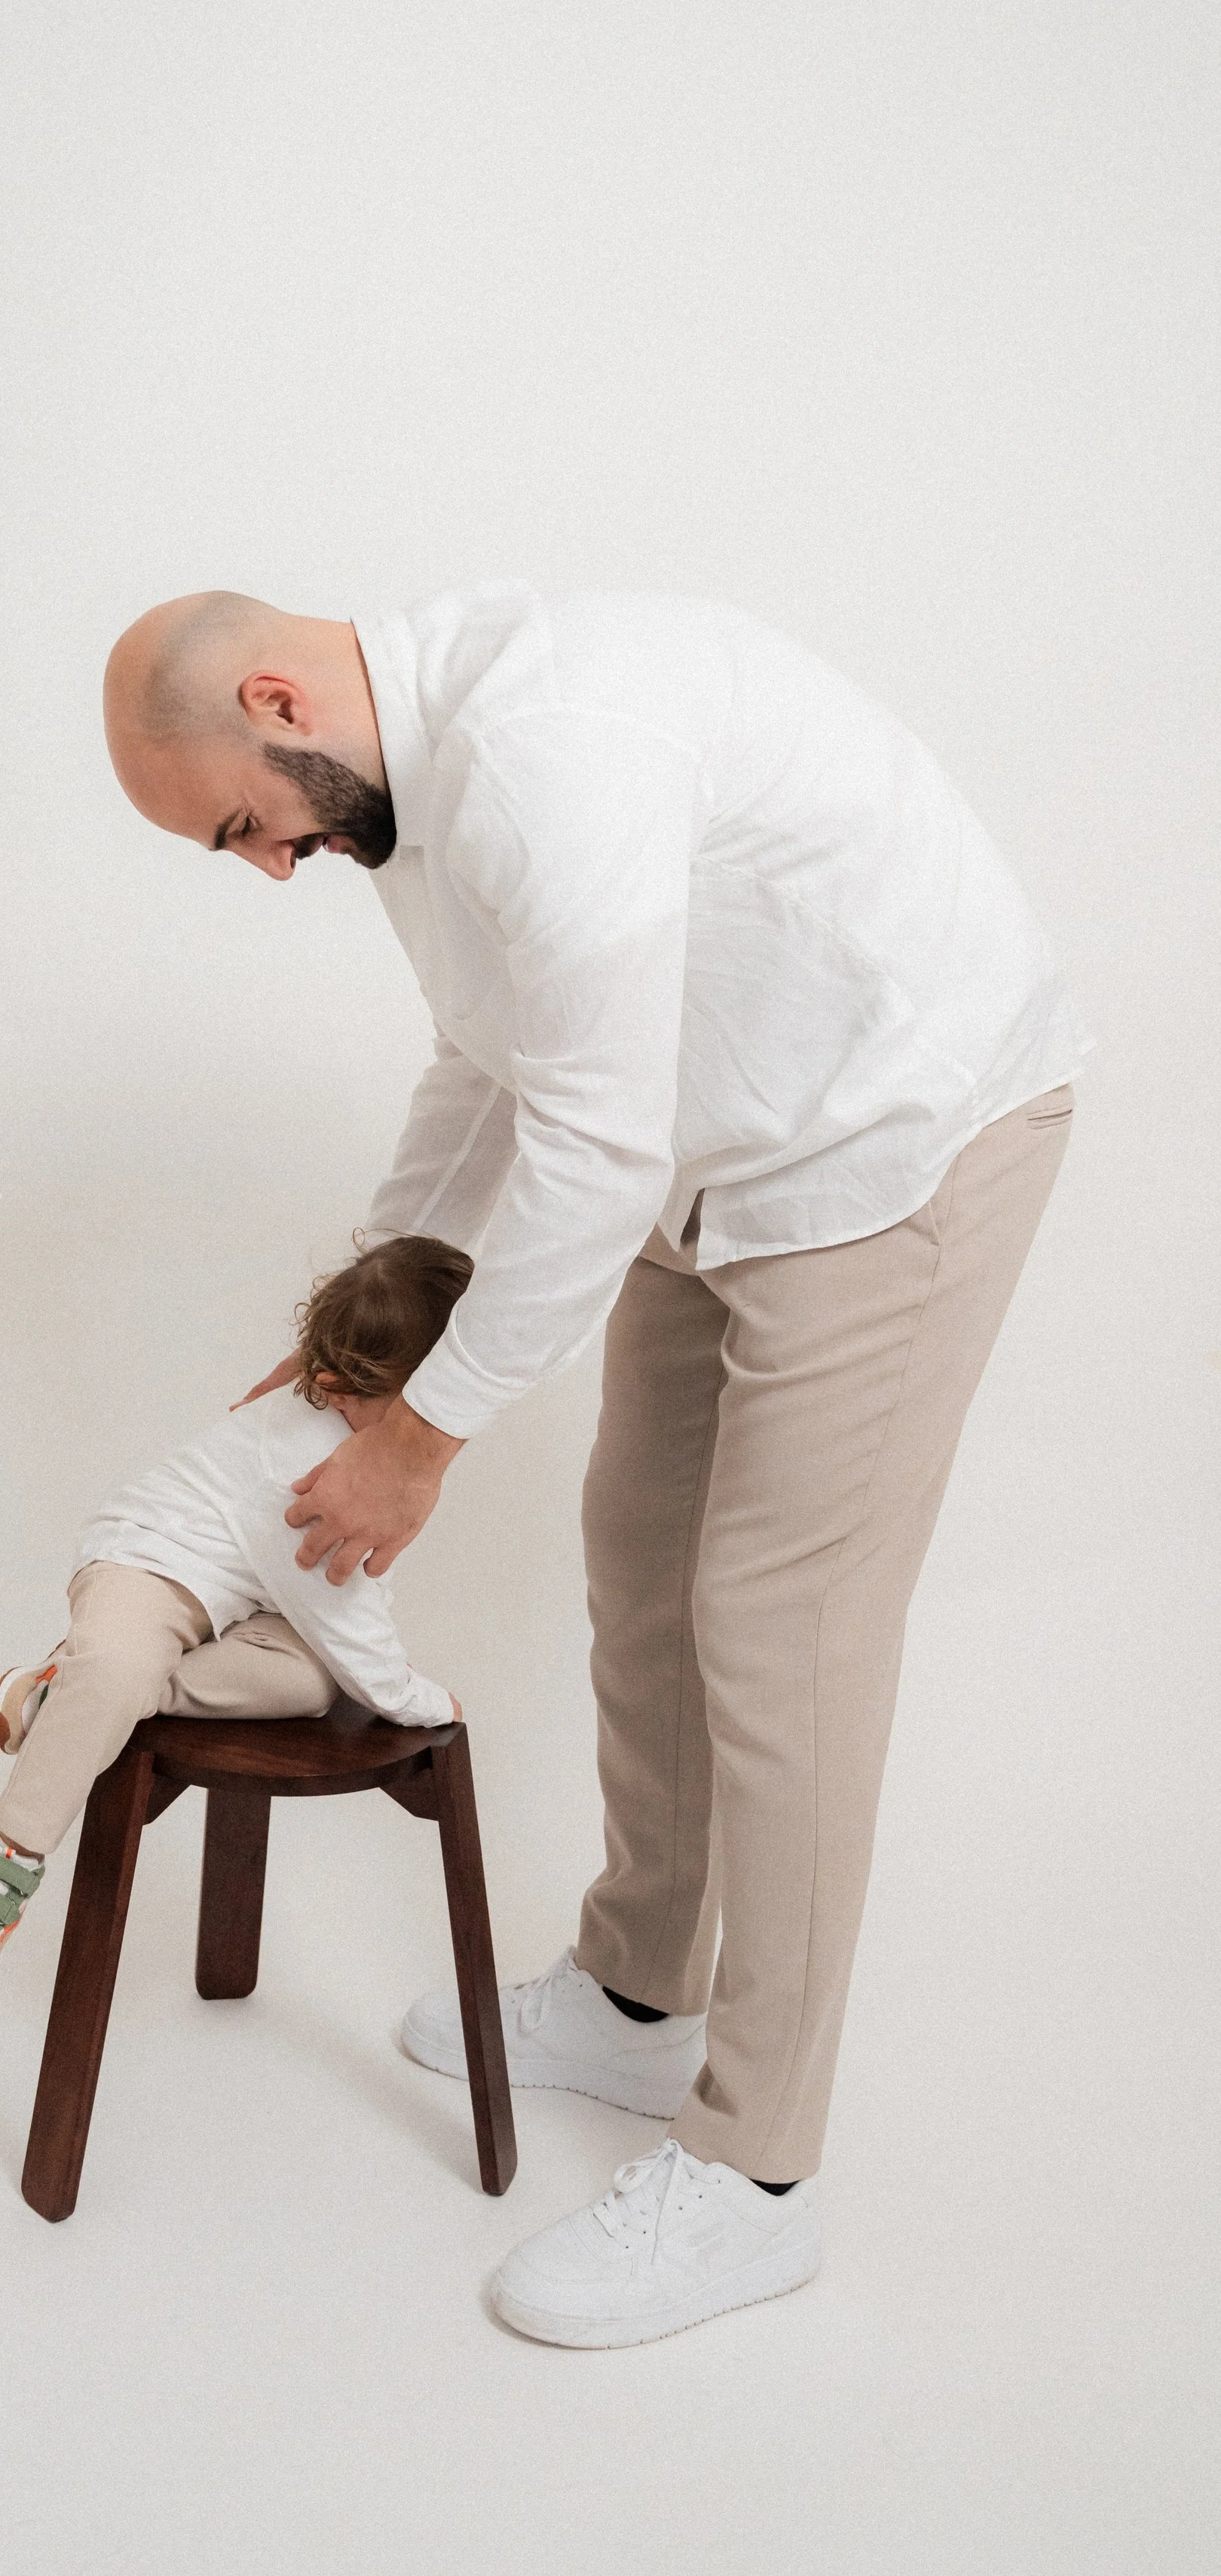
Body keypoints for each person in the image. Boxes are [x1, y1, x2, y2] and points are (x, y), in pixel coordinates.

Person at [102, 583, 1088, 2346]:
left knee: (778, 1626)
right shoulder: (401, 797)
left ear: (276, 695)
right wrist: (364, 1331)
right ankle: (641, 1998)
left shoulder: (550, 752)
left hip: (898, 1135)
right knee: (639, 1559)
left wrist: (417, 1437)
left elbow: (590, 1139)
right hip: (718, 1153)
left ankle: (758, 2175)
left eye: (246, 824)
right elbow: (487, 1074)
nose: (263, 867)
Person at [0, 1236, 464, 1986]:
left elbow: (347, 1596)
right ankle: (9, 1857)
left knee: (308, 1684)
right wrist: (414, 1698)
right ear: (333, 1377)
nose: (339, 1399)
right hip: (151, 1563)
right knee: (120, 1660)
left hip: (247, 1599)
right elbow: (344, 1616)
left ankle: (61, 1696)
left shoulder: (368, 1441)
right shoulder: (306, 1462)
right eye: (341, 1383)